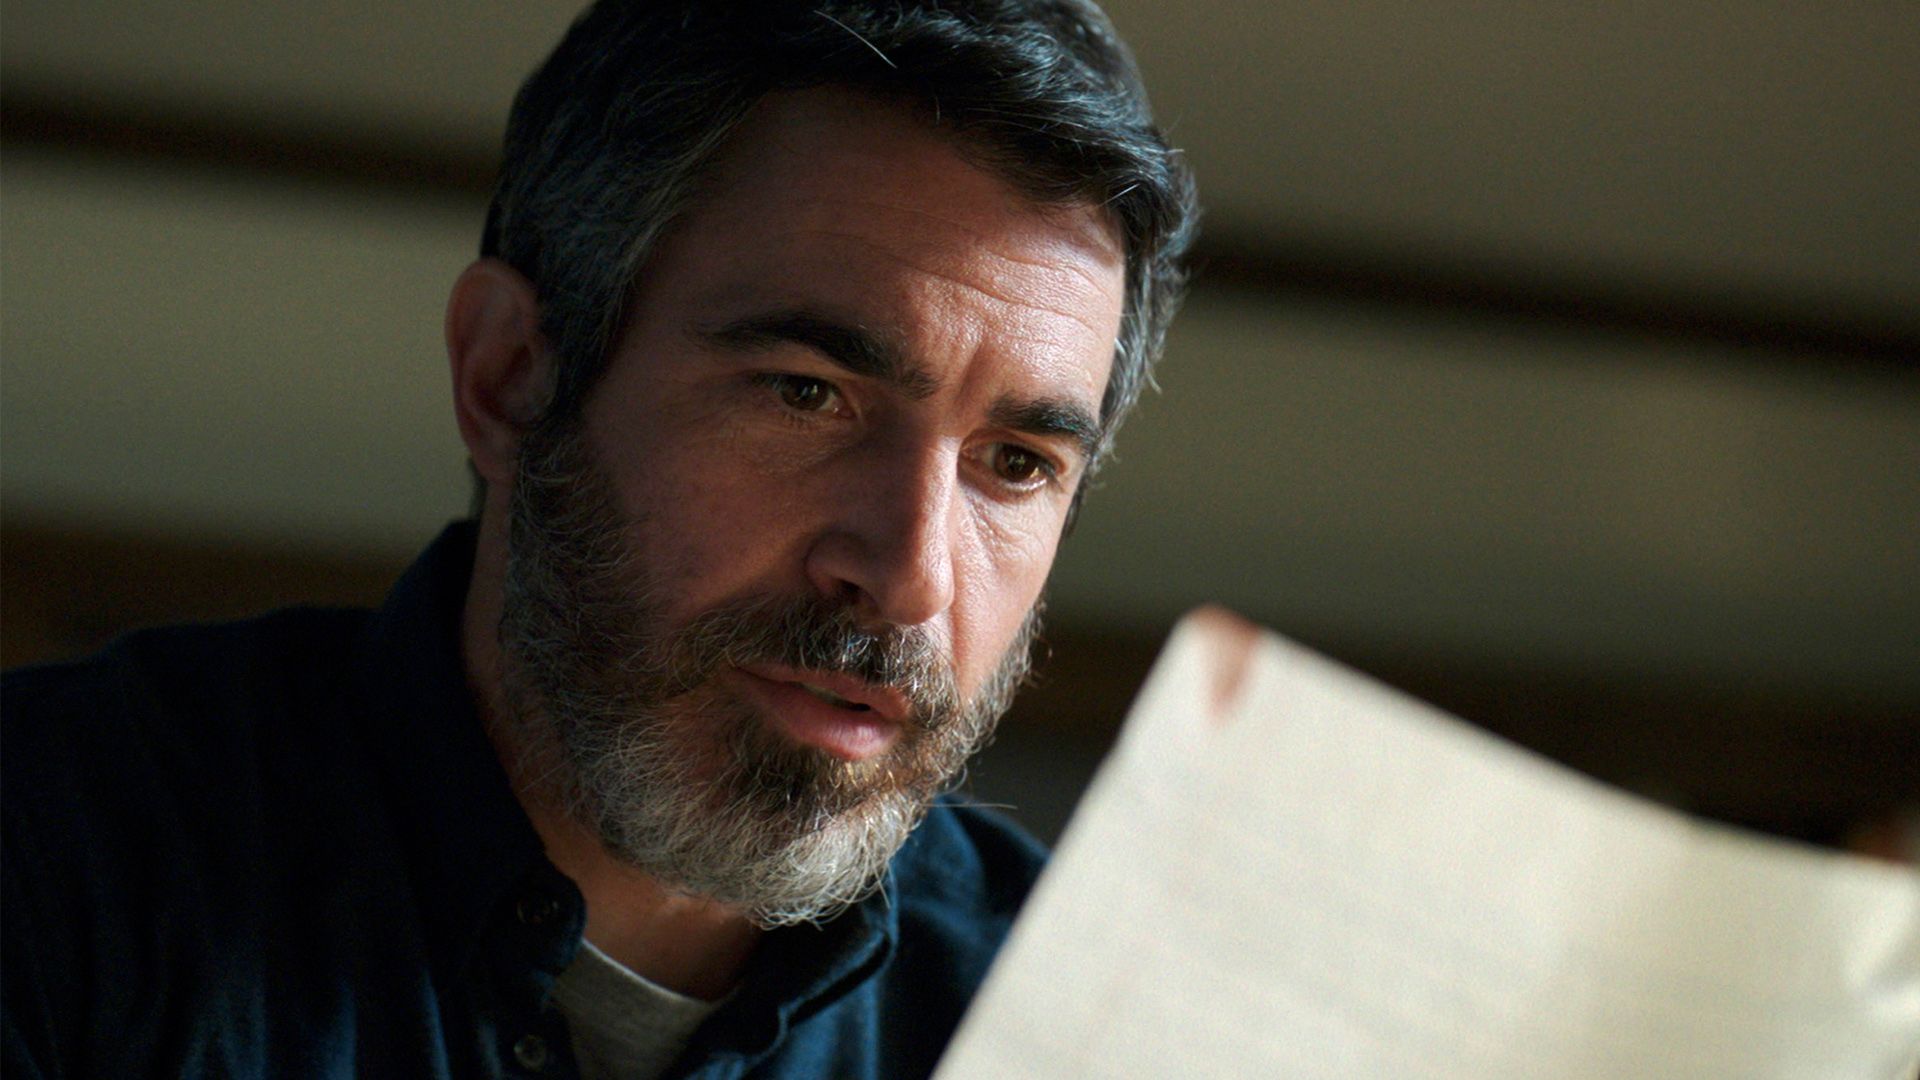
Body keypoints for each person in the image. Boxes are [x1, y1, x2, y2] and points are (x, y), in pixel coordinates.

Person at [1, 1, 1196, 1076]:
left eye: (1016, 464)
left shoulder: (1094, 1033)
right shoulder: (55, 862)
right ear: (510, 377)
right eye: (807, 394)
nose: (908, 576)